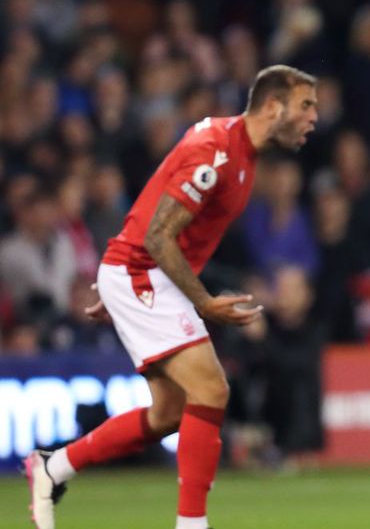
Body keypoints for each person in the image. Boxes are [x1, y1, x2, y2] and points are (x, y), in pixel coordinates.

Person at [24, 65, 319, 529]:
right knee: (212, 388)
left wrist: (117, 280)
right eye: (305, 105)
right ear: (272, 107)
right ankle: (191, 524)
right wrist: (197, 300)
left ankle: (52, 467)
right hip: (145, 272)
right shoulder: (216, 152)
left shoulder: (238, 152)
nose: (313, 117)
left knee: (168, 414)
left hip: (140, 274)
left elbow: (158, 201)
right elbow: (160, 237)